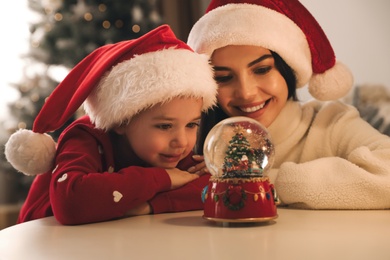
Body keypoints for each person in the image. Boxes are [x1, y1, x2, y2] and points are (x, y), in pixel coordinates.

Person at [5, 25, 218, 225]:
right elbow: (71, 201)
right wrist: (163, 178)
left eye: (191, 125)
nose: (181, 141)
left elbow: (214, 188)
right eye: (164, 126)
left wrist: (150, 206)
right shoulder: (84, 137)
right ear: (121, 122)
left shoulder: (170, 151)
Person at [187, 0, 390, 209]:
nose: (246, 93)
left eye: (262, 70)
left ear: (288, 69)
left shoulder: (331, 122)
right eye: (224, 77)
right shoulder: (193, 141)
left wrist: (265, 182)